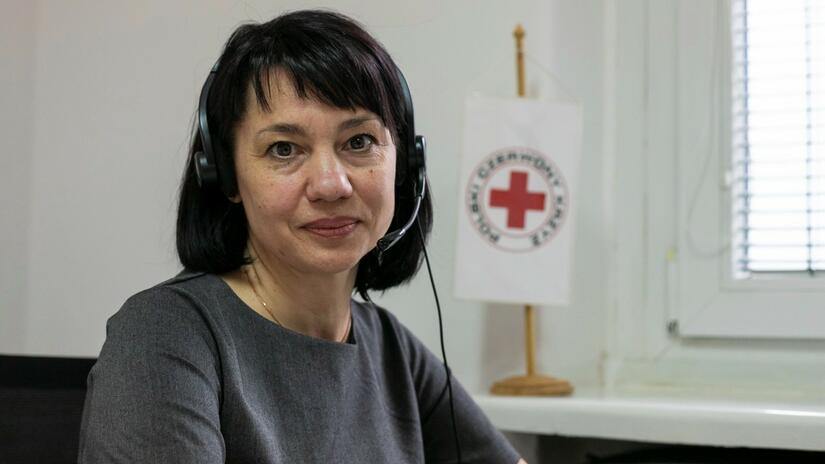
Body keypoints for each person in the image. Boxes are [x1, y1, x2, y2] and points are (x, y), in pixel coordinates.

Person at [78, 9, 525, 464]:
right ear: (227, 177)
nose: (331, 185)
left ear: (405, 162)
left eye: (358, 142)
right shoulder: (166, 334)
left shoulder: (393, 351)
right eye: (284, 149)